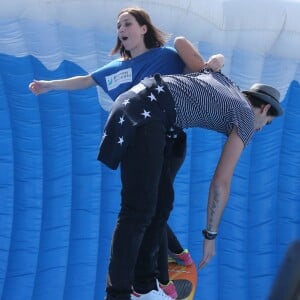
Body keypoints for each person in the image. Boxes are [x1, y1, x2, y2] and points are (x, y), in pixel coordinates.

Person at [29, 7, 224, 300]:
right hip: (140, 140)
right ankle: (156, 279)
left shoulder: (168, 55)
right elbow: (86, 80)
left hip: (170, 143)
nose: (121, 29)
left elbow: (201, 70)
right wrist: (49, 85)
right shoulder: (119, 68)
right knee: (144, 207)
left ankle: (169, 264)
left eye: (127, 23)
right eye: (118, 25)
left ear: (144, 28)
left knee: (158, 204)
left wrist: (218, 59)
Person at [97, 68, 284, 299]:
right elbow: (220, 184)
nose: (261, 128)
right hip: (148, 112)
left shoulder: (225, 82)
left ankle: (144, 285)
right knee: (137, 211)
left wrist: (217, 60)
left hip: (139, 105)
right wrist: (210, 236)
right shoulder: (246, 116)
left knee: (160, 205)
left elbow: (187, 51)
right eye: (267, 122)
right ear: (264, 108)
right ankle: (118, 294)